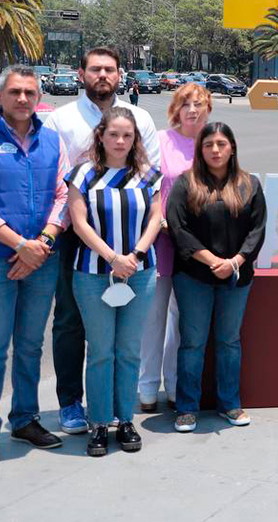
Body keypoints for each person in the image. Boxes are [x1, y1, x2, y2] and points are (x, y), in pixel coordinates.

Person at [44, 47, 161, 435]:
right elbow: (57, 182)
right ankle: (71, 403)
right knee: (70, 323)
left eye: (109, 69)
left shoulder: (140, 117)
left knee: (121, 339)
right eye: (95, 69)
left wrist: (134, 251)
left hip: (130, 242)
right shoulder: (61, 119)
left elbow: (150, 177)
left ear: (120, 73)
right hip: (76, 236)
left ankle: (115, 408)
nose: (103, 75)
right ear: (81, 74)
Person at [0, 67, 69, 466]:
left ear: (37, 96)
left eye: (29, 92)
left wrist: (41, 243)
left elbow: (63, 195)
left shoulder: (52, 141)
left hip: (43, 258)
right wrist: (20, 245)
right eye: (15, 92)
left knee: (30, 345)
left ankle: (25, 419)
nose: (22, 99)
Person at [66, 107, 163, 456]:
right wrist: (112, 258)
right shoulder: (83, 175)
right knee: (101, 352)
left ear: (135, 138)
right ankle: (98, 423)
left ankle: (124, 420)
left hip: (139, 273)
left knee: (128, 351)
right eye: (113, 134)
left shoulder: (149, 175)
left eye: (127, 135)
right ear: (101, 136)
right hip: (94, 274)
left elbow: (156, 218)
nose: (120, 141)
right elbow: (79, 224)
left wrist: (134, 256)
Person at [167, 122, 267, 432]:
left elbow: (257, 229)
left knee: (229, 341)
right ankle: (186, 408)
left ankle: (229, 404)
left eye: (221, 144)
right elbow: (178, 227)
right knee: (193, 342)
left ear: (232, 148)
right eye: (209, 144)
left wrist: (235, 262)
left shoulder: (249, 184)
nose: (215, 150)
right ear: (200, 149)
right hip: (194, 277)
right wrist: (212, 261)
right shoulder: (186, 184)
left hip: (236, 277)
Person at [138, 83, 213, 412]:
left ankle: (175, 383)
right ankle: (147, 387)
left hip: (195, 248)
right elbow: (145, 187)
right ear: (176, 109)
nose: (193, 110)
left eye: (198, 104)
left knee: (183, 320)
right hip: (160, 240)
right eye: (186, 105)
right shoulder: (159, 140)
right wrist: (161, 222)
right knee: (153, 317)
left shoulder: (213, 145)